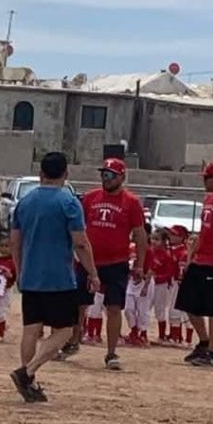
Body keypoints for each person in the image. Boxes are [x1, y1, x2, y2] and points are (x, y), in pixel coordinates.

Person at [8, 151, 99, 403]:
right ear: (66, 174)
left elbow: (15, 241)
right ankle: (27, 372)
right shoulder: (69, 202)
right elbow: (80, 243)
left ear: (41, 174)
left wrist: (20, 269)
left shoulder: (25, 202)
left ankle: (29, 382)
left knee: (31, 329)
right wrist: (92, 272)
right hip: (58, 277)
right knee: (65, 331)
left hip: (31, 275)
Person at [71, 157, 147, 370]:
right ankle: (73, 341)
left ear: (122, 177)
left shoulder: (131, 202)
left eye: (111, 175)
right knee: (78, 303)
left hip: (116, 262)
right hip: (89, 261)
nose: (106, 178)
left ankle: (111, 352)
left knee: (114, 307)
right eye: (104, 174)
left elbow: (140, 235)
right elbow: (78, 228)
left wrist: (139, 264)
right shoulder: (91, 197)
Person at [174, 162, 213, 365]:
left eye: (207, 178)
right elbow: (203, 232)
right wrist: (191, 257)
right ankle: (205, 342)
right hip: (201, 260)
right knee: (188, 303)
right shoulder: (209, 199)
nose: (204, 181)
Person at [123, 230, 155, 347]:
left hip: (144, 281)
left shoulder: (149, 250)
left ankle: (143, 334)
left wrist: (146, 286)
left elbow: (151, 269)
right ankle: (133, 330)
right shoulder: (131, 248)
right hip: (132, 281)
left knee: (143, 310)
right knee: (128, 308)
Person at [167, 225, 191, 345]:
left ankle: (180, 338)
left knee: (177, 310)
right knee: (174, 310)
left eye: (174, 234)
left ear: (182, 237)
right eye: (171, 234)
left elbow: (182, 271)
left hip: (179, 283)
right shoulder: (174, 249)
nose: (171, 236)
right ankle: (177, 336)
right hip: (173, 282)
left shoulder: (183, 252)